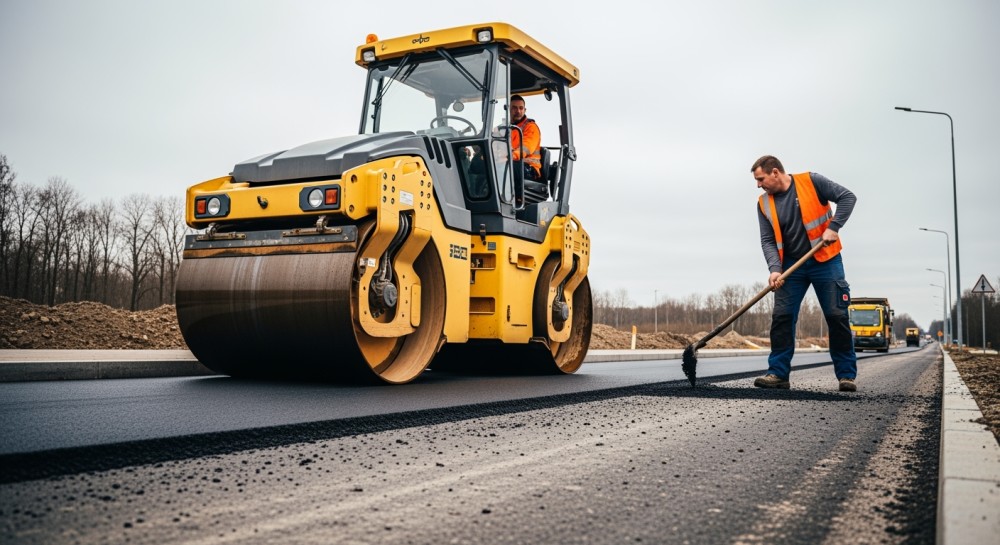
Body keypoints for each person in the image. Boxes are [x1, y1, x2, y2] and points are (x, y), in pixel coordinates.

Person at [751, 155, 858, 392]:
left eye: (761, 179)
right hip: (791, 266)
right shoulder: (763, 203)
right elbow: (767, 240)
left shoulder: (811, 181)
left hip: (825, 259)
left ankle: (846, 375)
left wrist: (834, 227)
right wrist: (775, 269)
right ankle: (778, 374)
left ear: (775, 172)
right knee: (782, 317)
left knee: (837, 316)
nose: (758, 185)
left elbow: (848, 197)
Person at [506, 94, 542, 181]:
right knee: (478, 163)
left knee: (504, 167)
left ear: (525, 110)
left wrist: (510, 156)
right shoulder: (503, 128)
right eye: (514, 108)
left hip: (528, 168)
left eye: (521, 108)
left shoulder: (531, 127)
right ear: (508, 109)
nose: (518, 111)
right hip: (511, 162)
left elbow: (526, 148)